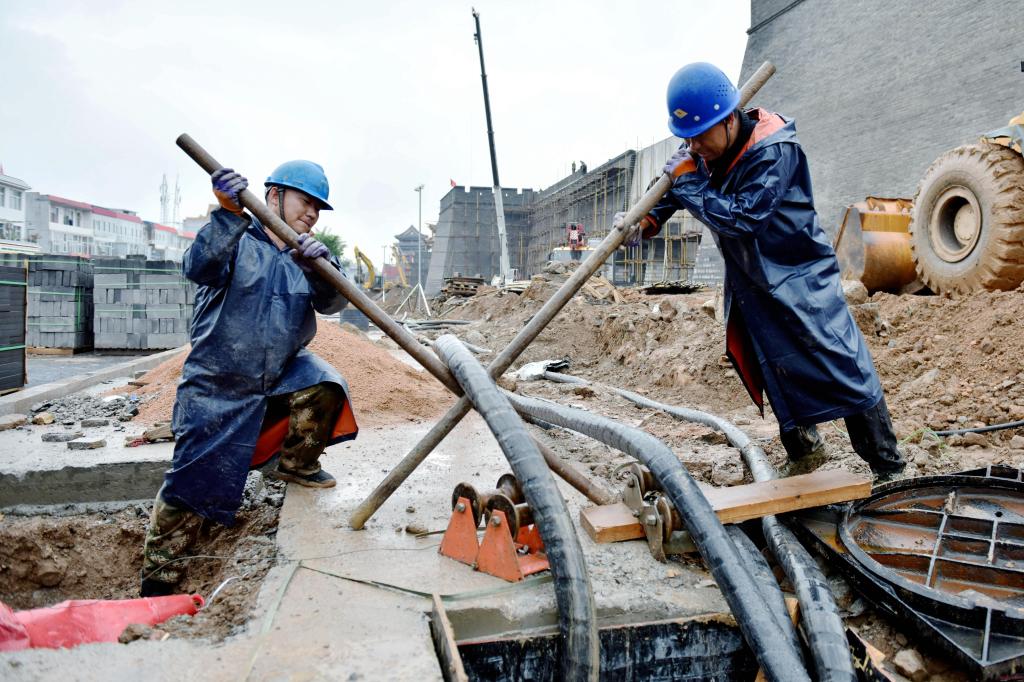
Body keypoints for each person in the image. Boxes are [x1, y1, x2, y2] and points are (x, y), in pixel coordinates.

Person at [616, 62, 905, 479]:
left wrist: (689, 183)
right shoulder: (704, 145)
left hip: (799, 273)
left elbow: (742, 218)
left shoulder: (772, 150)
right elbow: (672, 186)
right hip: (753, 280)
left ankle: (888, 466)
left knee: (843, 365)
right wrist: (645, 220)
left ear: (728, 120)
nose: (693, 146)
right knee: (773, 363)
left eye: (700, 136)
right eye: (687, 138)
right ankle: (805, 452)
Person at [140, 160, 359, 597]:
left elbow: (334, 303)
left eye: (319, 207)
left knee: (325, 385)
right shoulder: (237, 238)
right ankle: (159, 581)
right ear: (274, 195)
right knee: (190, 485)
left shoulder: (305, 255)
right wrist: (227, 212)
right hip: (217, 382)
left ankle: (296, 464)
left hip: (280, 372)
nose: (312, 213)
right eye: (305, 201)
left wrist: (322, 269)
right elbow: (199, 266)